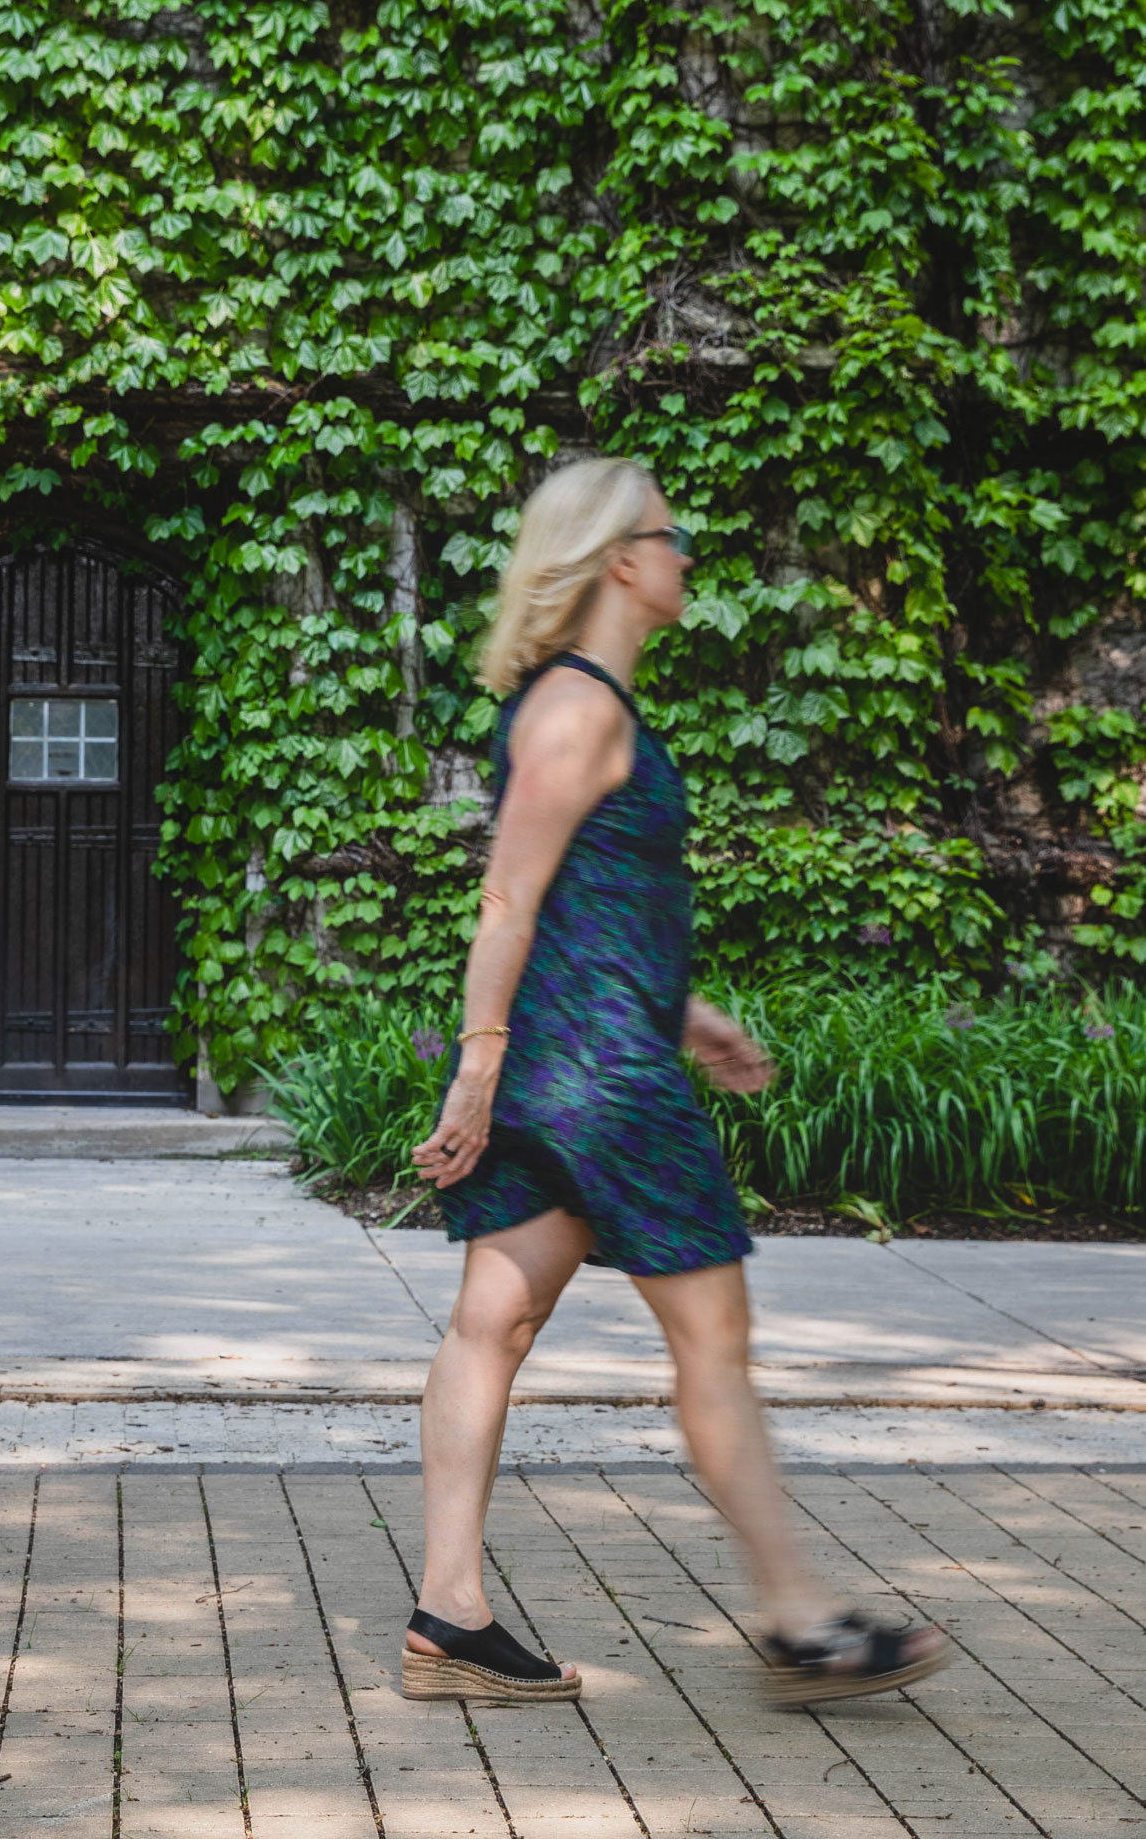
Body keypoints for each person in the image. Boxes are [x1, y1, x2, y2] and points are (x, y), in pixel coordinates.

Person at [403, 457, 949, 1707]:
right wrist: (475, 1069)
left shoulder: (582, 704)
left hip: (582, 1051)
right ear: (618, 558)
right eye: (672, 534)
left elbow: (594, 901)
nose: (688, 555)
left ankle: (449, 1612)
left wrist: (686, 1008)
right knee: (713, 1336)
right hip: (597, 1075)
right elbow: (507, 899)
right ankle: (801, 1618)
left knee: (494, 1319)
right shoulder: (577, 708)